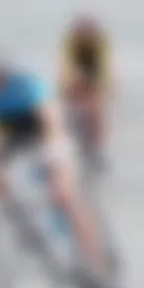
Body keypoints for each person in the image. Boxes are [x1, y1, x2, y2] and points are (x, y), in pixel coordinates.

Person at [0, 43, 115, 288]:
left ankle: (97, 269)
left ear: (1, 74)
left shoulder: (23, 85)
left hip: (44, 134)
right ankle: (13, 206)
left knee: (64, 194)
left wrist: (55, 158)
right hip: (7, 140)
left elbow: (51, 122)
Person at [57, 14, 110, 171]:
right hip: (75, 80)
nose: (85, 36)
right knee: (71, 107)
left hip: (93, 79)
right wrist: (69, 88)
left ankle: (97, 147)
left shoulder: (100, 44)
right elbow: (64, 69)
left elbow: (105, 70)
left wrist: (102, 91)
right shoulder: (70, 44)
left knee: (97, 110)